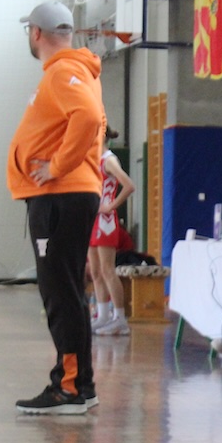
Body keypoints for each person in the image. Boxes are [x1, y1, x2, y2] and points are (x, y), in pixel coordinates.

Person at [8, 1, 106, 415]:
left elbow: (89, 117)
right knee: (66, 291)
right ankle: (79, 384)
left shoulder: (64, 71)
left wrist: (58, 166)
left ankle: (69, 388)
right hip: (65, 195)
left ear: (35, 33)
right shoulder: (73, 71)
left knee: (60, 292)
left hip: (61, 195)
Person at [89, 128, 136, 337]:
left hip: (105, 221)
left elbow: (129, 185)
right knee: (96, 271)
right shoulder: (94, 159)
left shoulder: (109, 160)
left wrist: (111, 206)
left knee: (108, 270)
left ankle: (120, 318)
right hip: (92, 219)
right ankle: (103, 315)